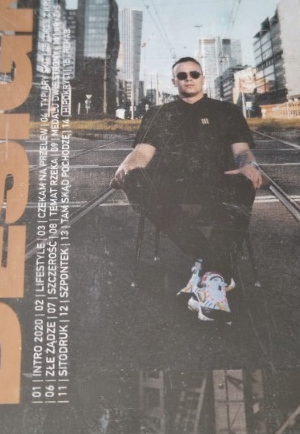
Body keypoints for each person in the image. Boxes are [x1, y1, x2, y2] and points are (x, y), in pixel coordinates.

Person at [111, 57, 262, 290]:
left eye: (194, 74)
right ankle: (216, 269)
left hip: (217, 184)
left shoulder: (227, 111)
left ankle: (207, 267)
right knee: (136, 180)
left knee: (244, 181)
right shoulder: (158, 113)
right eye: (182, 76)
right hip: (173, 187)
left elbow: (242, 152)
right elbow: (142, 152)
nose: (188, 79)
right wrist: (126, 167)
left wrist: (249, 165)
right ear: (174, 81)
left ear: (202, 78)